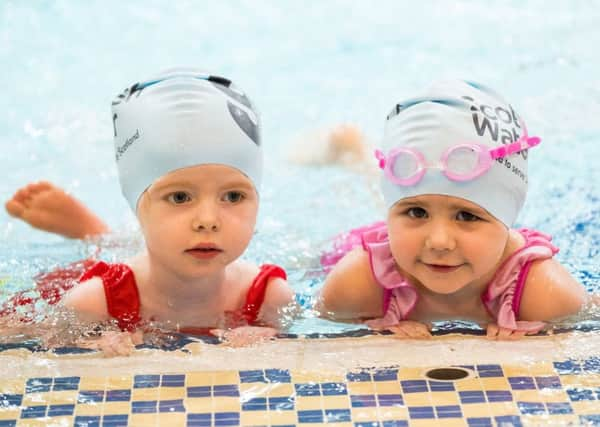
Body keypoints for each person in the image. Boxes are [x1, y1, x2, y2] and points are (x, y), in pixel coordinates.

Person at [3, 68, 295, 354]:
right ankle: (95, 235)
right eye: (180, 197)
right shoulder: (94, 302)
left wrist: (271, 335)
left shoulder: (269, 296)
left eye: (233, 195)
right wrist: (89, 345)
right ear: (137, 204)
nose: (208, 221)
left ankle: (102, 234)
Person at [317, 79, 588, 340]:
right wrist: (370, 332)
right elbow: (313, 325)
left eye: (467, 216)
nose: (439, 241)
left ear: (507, 217)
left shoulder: (542, 290)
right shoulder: (361, 280)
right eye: (416, 212)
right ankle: (353, 153)